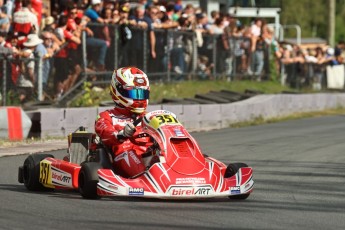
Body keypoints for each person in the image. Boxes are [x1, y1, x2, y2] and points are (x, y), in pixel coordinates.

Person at [95, 66, 151, 178]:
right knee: (129, 154)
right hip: (124, 154)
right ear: (118, 91)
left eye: (143, 94)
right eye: (134, 94)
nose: (139, 99)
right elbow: (105, 132)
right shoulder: (107, 116)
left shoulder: (149, 117)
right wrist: (121, 134)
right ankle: (144, 178)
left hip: (148, 153)